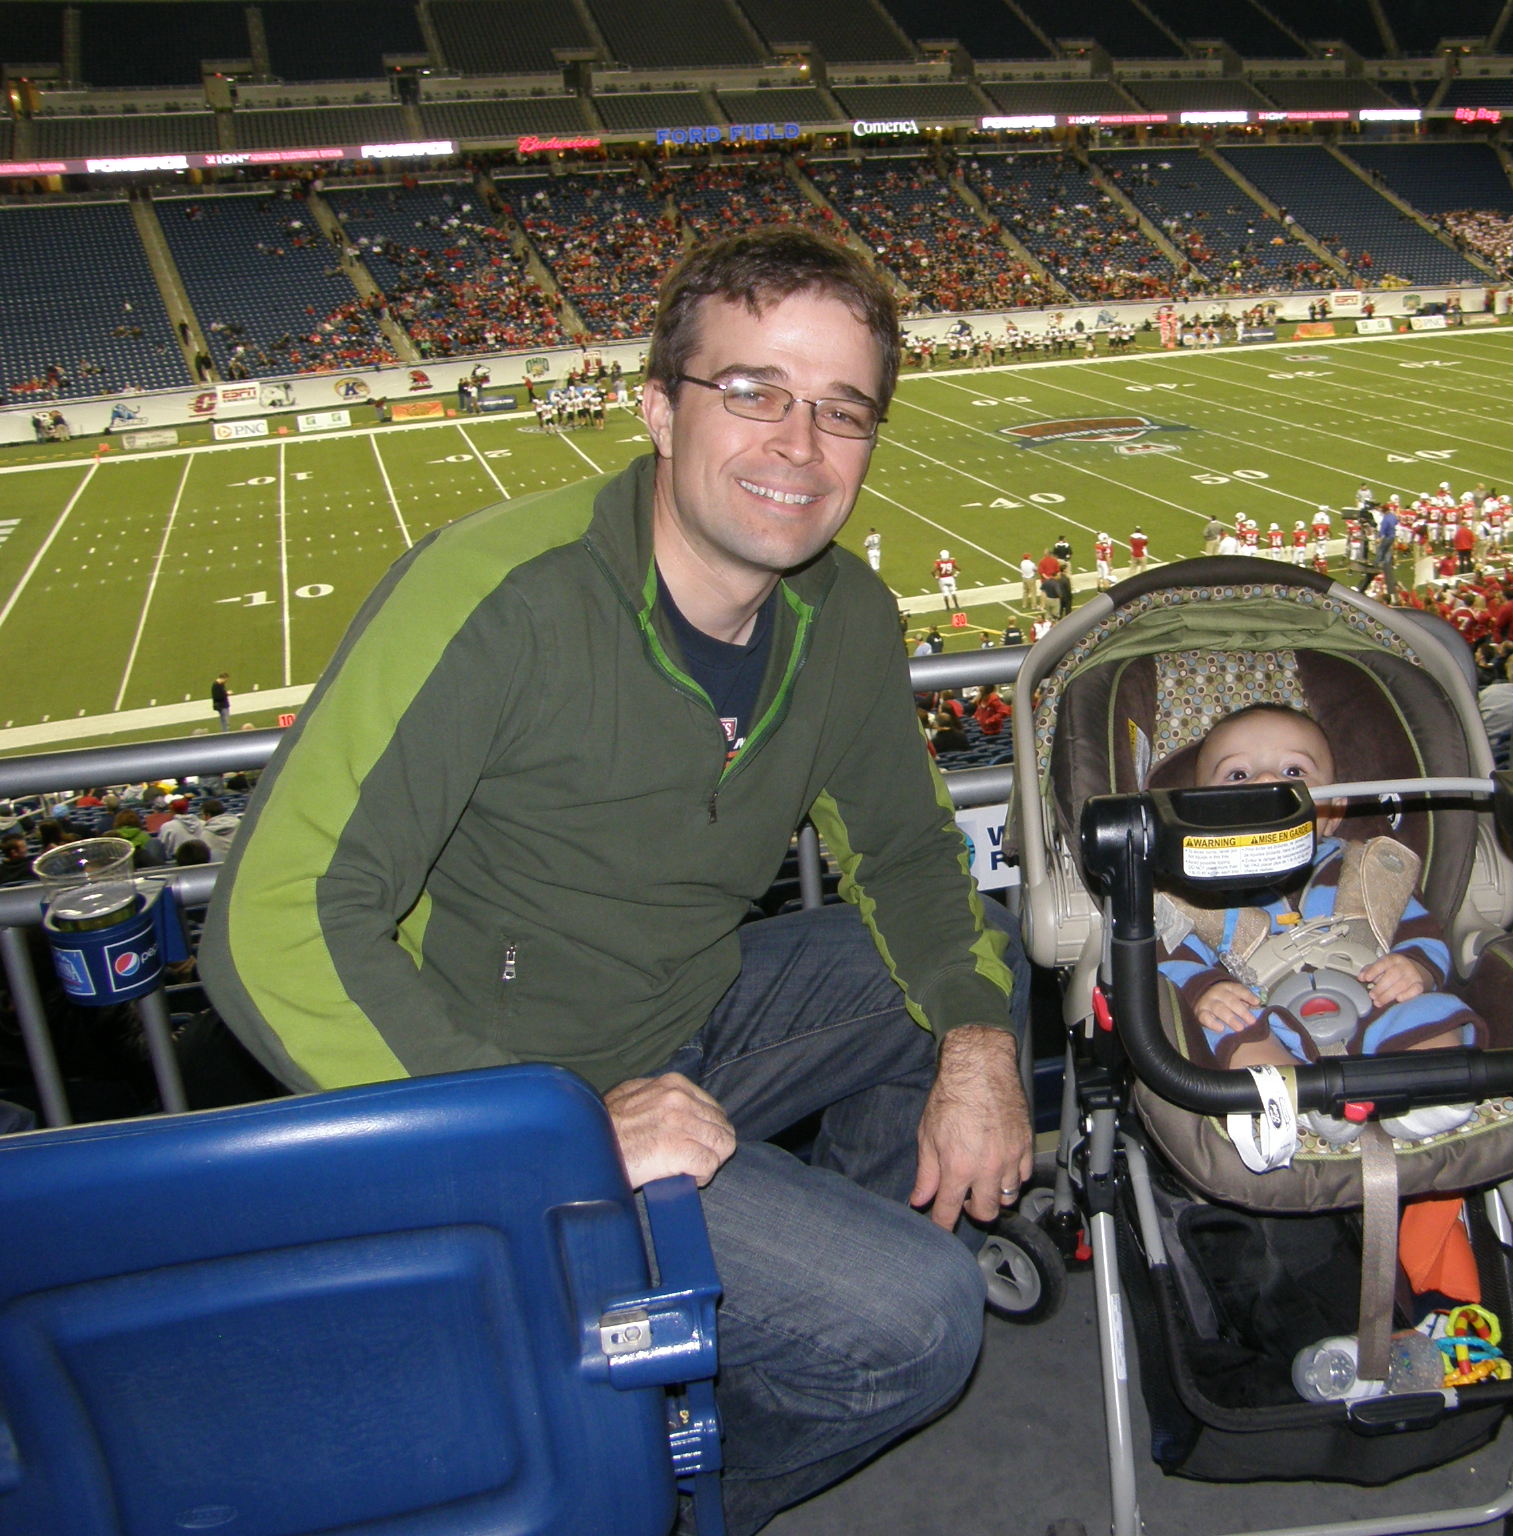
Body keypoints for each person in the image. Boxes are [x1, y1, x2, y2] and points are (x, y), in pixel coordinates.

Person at [201, 228, 1031, 1536]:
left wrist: (980, 1042)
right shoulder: (498, 594)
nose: (799, 447)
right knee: (923, 1324)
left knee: (960, 980)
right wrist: (553, 1128)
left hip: (690, 1029)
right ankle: (661, 1499)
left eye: (841, 411)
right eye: (753, 391)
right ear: (657, 408)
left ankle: (758, 1313)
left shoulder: (848, 620)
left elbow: (914, 857)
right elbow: (272, 922)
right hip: (503, 1088)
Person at [1155, 705, 1484, 1088]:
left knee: (1430, 1011)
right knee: (1223, 1030)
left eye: (1294, 771)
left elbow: (1420, 930)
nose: (1266, 781)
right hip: (1264, 1018)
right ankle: (1289, 1105)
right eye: (1238, 774)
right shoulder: (1196, 892)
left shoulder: (1365, 873)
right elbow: (1170, 954)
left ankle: (1429, 1090)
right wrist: (1205, 990)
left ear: (1331, 810)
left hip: (1372, 1002)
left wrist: (1415, 968)